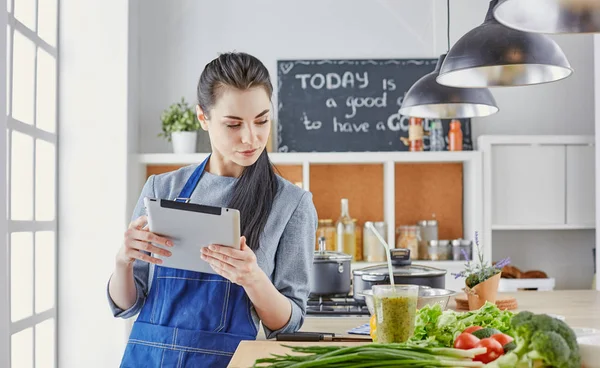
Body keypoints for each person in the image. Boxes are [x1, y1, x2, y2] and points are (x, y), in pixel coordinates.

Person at [107, 52, 317, 367]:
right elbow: (128, 304)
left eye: (261, 120)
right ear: (203, 118)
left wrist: (252, 278)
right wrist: (123, 261)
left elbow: (287, 324)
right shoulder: (162, 189)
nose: (251, 137)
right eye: (233, 124)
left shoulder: (291, 204)